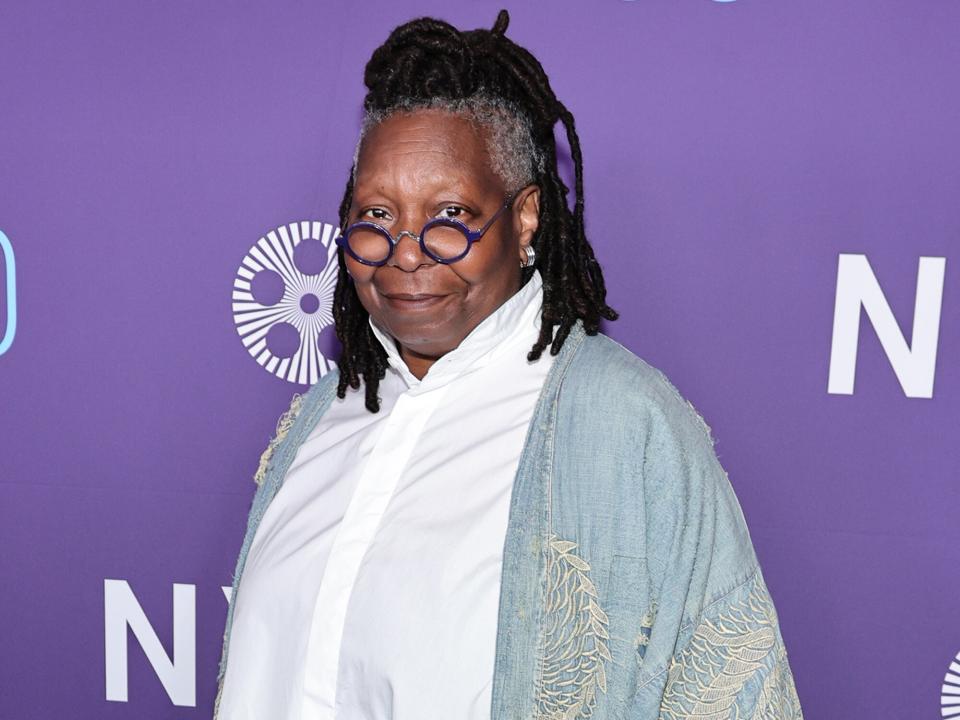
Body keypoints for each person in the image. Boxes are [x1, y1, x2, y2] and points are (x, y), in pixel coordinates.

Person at [213, 9, 803, 720]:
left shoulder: (626, 430)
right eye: (375, 215)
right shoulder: (321, 417)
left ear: (524, 218)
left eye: (451, 215)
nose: (405, 251)